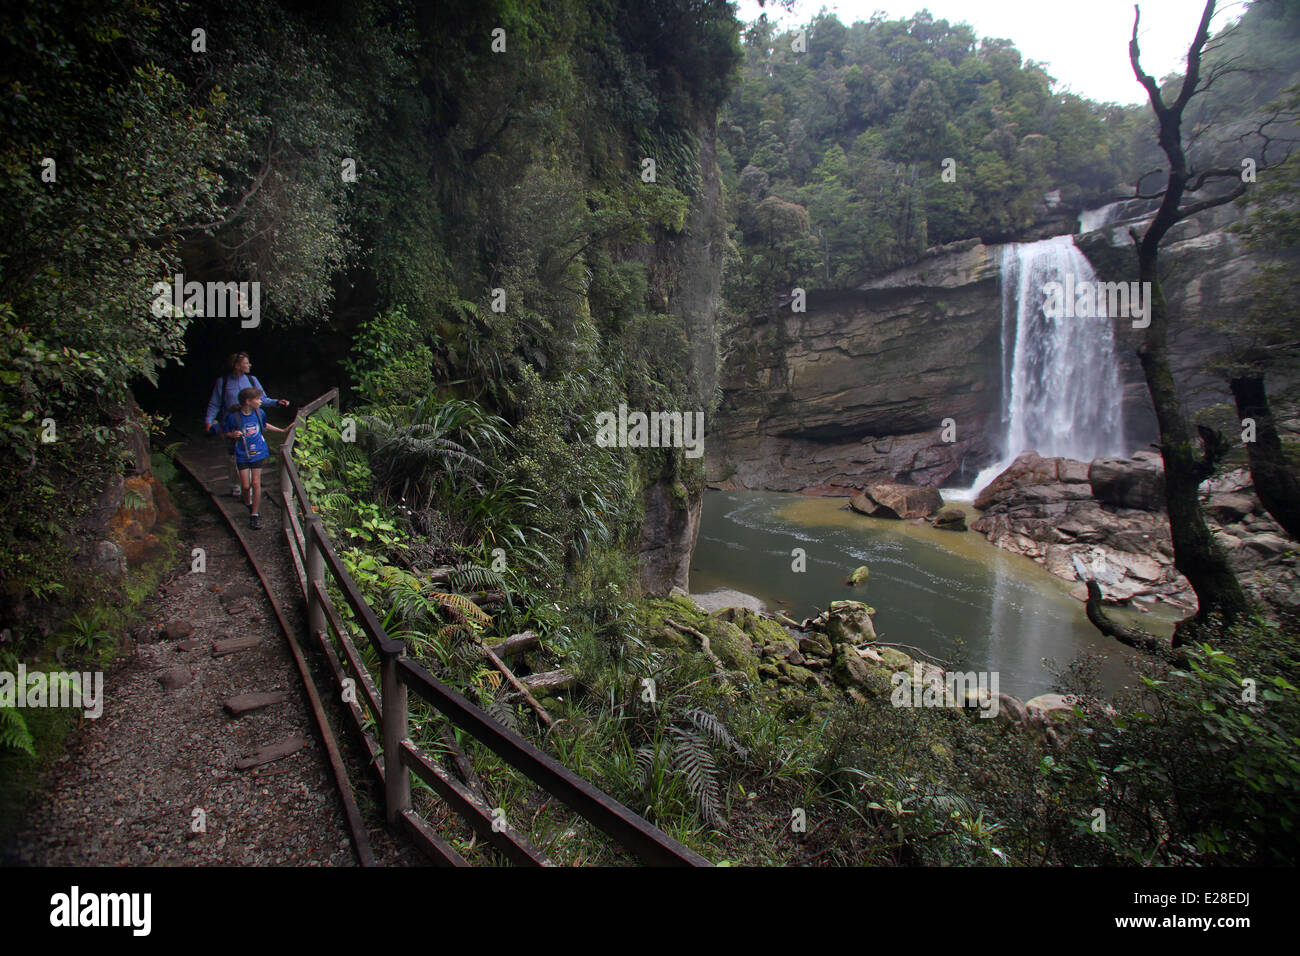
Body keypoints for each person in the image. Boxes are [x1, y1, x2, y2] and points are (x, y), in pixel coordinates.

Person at [204, 353, 290, 497]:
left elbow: (261, 399)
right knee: (233, 456)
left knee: (252, 452)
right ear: (237, 365)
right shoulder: (223, 382)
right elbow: (215, 403)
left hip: (251, 421)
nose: (249, 365)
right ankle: (236, 484)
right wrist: (208, 420)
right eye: (246, 363)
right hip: (231, 424)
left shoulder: (252, 380)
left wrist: (276, 402)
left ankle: (249, 485)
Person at [222, 387, 286, 530]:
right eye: (257, 399)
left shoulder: (259, 412)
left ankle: (254, 515)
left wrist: (282, 430)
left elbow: (264, 425)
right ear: (248, 402)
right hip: (242, 453)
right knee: (245, 486)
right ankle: (248, 503)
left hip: (258, 451)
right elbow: (225, 432)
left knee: (256, 483)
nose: (260, 402)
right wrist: (233, 435)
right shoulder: (234, 417)